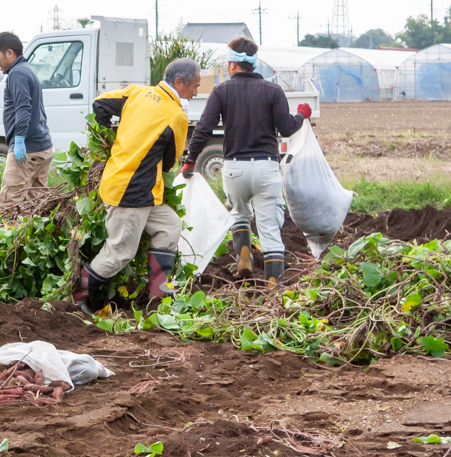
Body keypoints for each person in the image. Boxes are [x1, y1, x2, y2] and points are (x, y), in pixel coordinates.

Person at [182, 37, 312, 288]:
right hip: (265, 168)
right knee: (270, 232)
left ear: (232, 65)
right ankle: (274, 290)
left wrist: (190, 160)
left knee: (239, 213)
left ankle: (244, 257)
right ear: (253, 64)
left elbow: (204, 128)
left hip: (234, 170)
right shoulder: (273, 91)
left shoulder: (221, 91)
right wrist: (302, 115)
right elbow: (286, 128)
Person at [74, 59, 201, 314]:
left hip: (128, 185)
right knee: (121, 252)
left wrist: (111, 140)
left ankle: (158, 298)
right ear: (178, 83)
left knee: (170, 225)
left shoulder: (137, 92)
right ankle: (81, 295)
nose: (196, 92)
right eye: (195, 87)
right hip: (132, 192)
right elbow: (169, 163)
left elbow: (100, 104)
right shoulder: (176, 116)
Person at [0, 32, 53, 207]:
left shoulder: (17, 73)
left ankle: (10, 234)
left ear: (10, 53)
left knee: (9, 201)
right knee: (38, 203)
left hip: (27, 150)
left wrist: (19, 141)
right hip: (42, 147)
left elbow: (23, 109)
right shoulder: (27, 70)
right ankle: (38, 235)